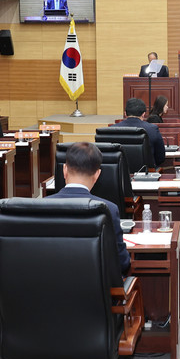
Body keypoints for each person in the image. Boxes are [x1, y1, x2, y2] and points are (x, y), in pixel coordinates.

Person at [50, 142, 130, 275]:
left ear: (64, 170)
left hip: (51, 284)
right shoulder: (108, 209)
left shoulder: (41, 206)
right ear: (97, 174)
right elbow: (121, 262)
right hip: (95, 287)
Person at [111, 98, 165, 167]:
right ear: (143, 114)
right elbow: (160, 158)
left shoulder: (112, 129)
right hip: (146, 172)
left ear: (125, 113)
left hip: (119, 172)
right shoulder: (152, 129)